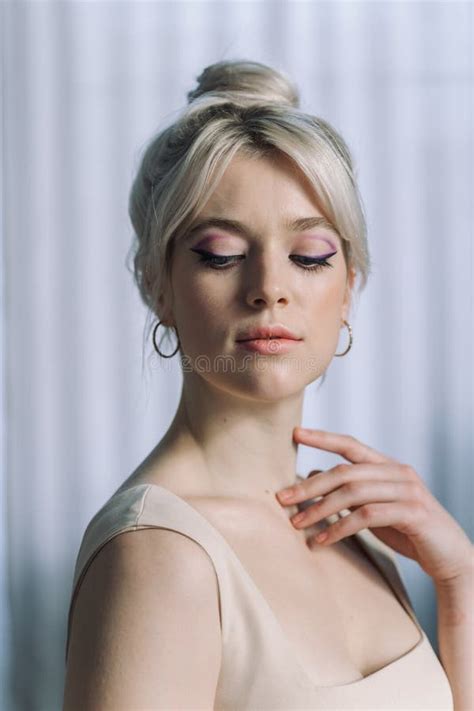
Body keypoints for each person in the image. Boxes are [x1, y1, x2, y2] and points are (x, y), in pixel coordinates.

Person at [62, 60, 473, 710]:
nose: (269, 287)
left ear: (349, 290)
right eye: (222, 253)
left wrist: (458, 582)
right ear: (158, 284)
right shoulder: (158, 554)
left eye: (309, 256)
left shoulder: (360, 536)